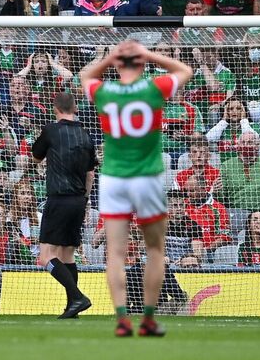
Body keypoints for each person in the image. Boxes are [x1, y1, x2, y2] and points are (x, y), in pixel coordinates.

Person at [80, 40, 193, 337]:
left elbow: (85, 77)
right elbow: (185, 69)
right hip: (147, 176)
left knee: (115, 254)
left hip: (115, 177)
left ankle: (121, 318)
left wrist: (110, 59)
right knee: (155, 250)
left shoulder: (105, 91)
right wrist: (150, 54)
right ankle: (148, 319)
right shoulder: (152, 88)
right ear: (142, 64)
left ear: (118, 66)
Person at [31, 91, 97, 319]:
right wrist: (86, 201)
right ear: (75, 108)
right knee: (68, 255)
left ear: (55, 108)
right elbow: (90, 174)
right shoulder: (86, 135)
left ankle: (77, 296)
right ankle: (72, 306)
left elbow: (35, 157)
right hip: (79, 201)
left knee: (45, 257)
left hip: (59, 198)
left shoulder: (51, 130)